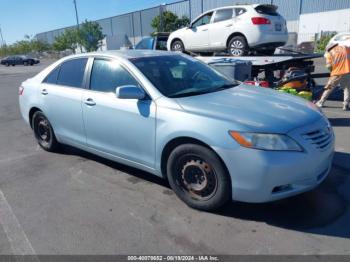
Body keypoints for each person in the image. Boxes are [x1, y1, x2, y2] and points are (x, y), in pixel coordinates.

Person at [316, 43, 350, 111]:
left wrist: (332, 71)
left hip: (336, 73)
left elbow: (329, 66)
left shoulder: (330, 53)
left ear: (329, 49)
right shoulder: (345, 47)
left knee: (329, 88)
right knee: (347, 89)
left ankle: (320, 102)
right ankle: (345, 104)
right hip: (348, 71)